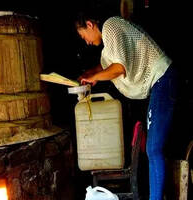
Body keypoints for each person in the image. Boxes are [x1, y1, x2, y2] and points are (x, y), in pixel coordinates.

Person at [74, 11, 178, 200]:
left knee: (154, 148)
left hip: (163, 79)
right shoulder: (108, 47)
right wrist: (89, 73)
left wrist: (94, 77)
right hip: (159, 84)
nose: (86, 42)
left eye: (83, 36)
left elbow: (119, 68)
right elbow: (105, 64)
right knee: (154, 148)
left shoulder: (111, 26)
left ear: (89, 25)